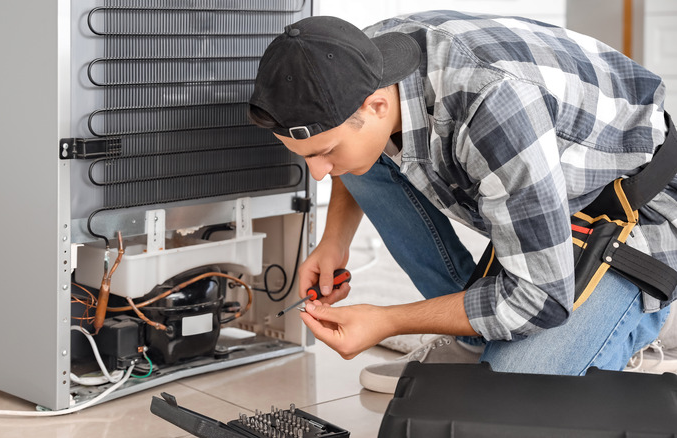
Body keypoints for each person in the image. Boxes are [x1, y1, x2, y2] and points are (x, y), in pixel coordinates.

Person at [248, 11, 676, 393]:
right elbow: (353, 145)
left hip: (634, 213)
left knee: (508, 400)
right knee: (361, 157)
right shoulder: (357, 59)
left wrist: (389, 319)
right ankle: (475, 336)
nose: (318, 173)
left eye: (324, 152)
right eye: (306, 156)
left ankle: (631, 321)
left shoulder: (495, 106)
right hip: (542, 182)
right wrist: (334, 240)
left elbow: (540, 298)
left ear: (376, 104)